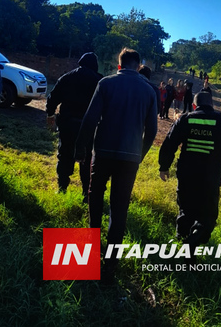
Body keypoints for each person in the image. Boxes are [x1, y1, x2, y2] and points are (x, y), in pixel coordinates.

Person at [75, 48, 158, 283]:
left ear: (119, 64)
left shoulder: (106, 84)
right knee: (119, 208)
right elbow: (151, 130)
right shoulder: (149, 91)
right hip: (129, 157)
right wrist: (139, 155)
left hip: (102, 152)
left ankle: (90, 247)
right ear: (138, 65)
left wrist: (81, 149)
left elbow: (90, 119)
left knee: (95, 195)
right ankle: (111, 264)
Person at [159, 91, 221, 250]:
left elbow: (169, 144)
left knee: (185, 206)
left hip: (186, 173)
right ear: (212, 105)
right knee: (207, 211)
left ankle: (183, 238)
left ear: (193, 105)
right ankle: (196, 235)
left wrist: (164, 167)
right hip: (210, 174)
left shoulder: (185, 119)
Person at [45, 52, 103, 201]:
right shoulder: (99, 81)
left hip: (68, 124)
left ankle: (62, 187)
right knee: (87, 159)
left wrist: (50, 114)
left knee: (65, 155)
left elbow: (53, 97)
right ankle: (86, 193)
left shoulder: (67, 77)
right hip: (88, 127)